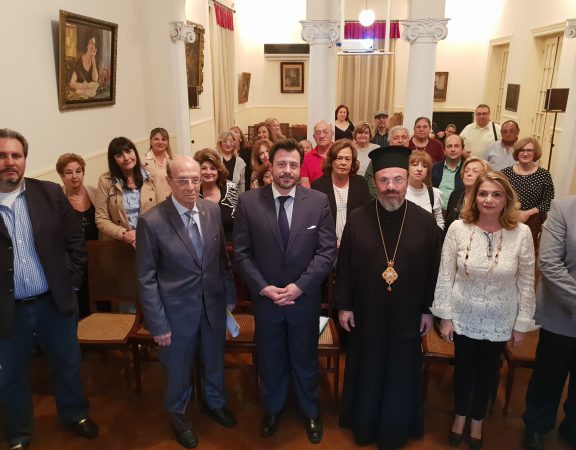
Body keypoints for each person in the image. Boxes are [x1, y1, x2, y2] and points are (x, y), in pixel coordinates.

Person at [336, 145, 442, 449]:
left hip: (408, 313)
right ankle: (365, 425)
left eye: (397, 179)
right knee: (367, 366)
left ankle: (396, 428)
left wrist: (428, 310)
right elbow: (344, 267)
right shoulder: (358, 218)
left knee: (400, 369)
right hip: (366, 311)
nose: (391, 187)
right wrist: (344, 306)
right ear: (375, 183)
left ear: (407, 180)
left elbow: (434, 270)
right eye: (384, 180)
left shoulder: (425, 222)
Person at [233, 139, 337, 444]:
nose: (287, 170)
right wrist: (262, 287)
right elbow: (241, 253)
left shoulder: (317, 202)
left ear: (299, 167)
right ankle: (273, 409)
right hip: (267, 301)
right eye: (281, 164)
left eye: (293, 164)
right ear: (271, 165)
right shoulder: (249, 202)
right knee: (271, 358)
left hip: (303, 300)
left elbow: (327, 252)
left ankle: (310, 411)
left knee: (305, 358)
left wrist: (300, 286)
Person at [0, 129, 98, 450]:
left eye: (16, 155)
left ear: (25, 159)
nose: (9, 162)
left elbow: (75, 241)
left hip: (53, 302)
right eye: (2, 156)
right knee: (10, 374)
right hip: (8, 310)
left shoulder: (49, 193)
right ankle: (18, 433)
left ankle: (75, 414)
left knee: (67, 364)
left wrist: (72, 283)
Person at [136, 155, 237, 449]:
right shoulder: (151, 222)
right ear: (169, 181)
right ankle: (178, 417)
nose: (191, 186)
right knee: (178, 370)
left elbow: (222, 259)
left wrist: (230, 296)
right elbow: (146, 278)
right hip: (176, 313)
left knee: (214, 360)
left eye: (196, 179)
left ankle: (214, 403)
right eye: (183, 180)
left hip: (213, 305)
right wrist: (157, 323)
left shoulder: (211, 211)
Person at [432, 171, 536, 450]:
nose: (489, 199)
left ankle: (477, 420)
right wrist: (445, 317)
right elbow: (445, 274)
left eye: (496, 194)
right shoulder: (458, 228)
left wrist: (521, 323)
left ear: (507, 199)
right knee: (464, 370)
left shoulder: (521, 233)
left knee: (488, 372)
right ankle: (459, 416)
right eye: (483, 193)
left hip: (500, 316)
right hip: (462, 313)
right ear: (474, 197)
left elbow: (526, 281)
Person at [523, 196, 576, 450]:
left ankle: (572, 427)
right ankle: (536, 426)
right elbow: (549, 263)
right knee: (549, 376)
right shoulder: (564, 209)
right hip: (560, 314)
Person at [95, 137, 161, 246]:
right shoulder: (105, 180)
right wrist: (126, 234)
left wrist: (140, 233)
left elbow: (161, 211)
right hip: (120, 242)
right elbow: (101, 218)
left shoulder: (151, 175)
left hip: (149, 237)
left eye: (129, 151)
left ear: (135, 152)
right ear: (113, 160)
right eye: (119, 155)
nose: (126, 158)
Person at [56, 153, 98, 318]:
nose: (74, 176)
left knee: (103, 303)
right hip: (75, 264)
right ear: (61, 176)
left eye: (78, 171)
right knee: (82, 307)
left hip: (99, 260)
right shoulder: (57, 199)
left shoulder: (95, 192)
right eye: (69, 172)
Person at [311, 139, 370, 244]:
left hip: (355, 243)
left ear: (352, 162)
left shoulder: (361, 183)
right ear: (331, 160)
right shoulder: (318, 185)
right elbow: (315, 220)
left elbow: (365, 217)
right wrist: (332, 241)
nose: (343, 163)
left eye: (348, 159)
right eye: (339, 158)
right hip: (326, 244)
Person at [501, 137, 554, 248]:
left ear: (535, 153)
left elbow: (548, 201)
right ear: (517, 152)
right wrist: (514, 213)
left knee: (527, 250)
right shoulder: (505, 173)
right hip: (508, 218)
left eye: (529, 150)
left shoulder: (544, 175)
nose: (525, 153)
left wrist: (527, 213)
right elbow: (500, 197)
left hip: (533, 221)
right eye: (522, 150)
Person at [194, 148, 238, 243]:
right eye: (203, 168)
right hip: (201, 246)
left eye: (213, 168)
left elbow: (239, 221)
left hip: (229, 245)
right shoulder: (193, 192)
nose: (208, 172)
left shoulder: (230, 188)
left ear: (218, 170)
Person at [444, 156, 491, 234]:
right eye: (466, 171)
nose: (469, 174)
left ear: (484, 176)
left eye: (475, 171)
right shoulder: (455, 194)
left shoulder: (488, 199)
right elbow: (448, 225)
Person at [364, 125, 411, 198]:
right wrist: (377, 196)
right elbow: (369, 177)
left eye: (404, 137)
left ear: (408, 141)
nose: (400, 141)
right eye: (396, 138)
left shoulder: (415, 158)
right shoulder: (379, 157)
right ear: (390, 142)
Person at [406, 150, 444, 229]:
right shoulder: (400, 192)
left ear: (428, 171)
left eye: (424, 166)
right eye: (415, 165)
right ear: (407, 168)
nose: (419, 169)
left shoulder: (433, 193)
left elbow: (439, 221)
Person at [431, 134, 465, 211]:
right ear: (444, 150)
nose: (453, 149)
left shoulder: (467, 170)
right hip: (435, 211)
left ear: (462, 149)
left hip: (457, 213)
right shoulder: (434, 168)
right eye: (449, 146)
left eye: (456, 146)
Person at [300, 120, 334, 188]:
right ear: (314, 136)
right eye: (317, 133)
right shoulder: (306, 158)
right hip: (314, 194)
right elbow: (305, 187)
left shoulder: (340, 154)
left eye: (325, 132)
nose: (321, 136)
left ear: (332, 134)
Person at [143, 127, 173, 200]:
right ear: (150, 141)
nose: (160, 142)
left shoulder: (175, 160)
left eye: (163, 139)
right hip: (154, 203)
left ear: (167, 142)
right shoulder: (143, 161)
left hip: (173, 201)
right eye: (156, 139)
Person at [229, 125, 252, 191]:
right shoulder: (227, 154)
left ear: (241, 138)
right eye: (231, 132)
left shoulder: (248, 151)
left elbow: (248, 173)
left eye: (236, 132)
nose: (233, 133)